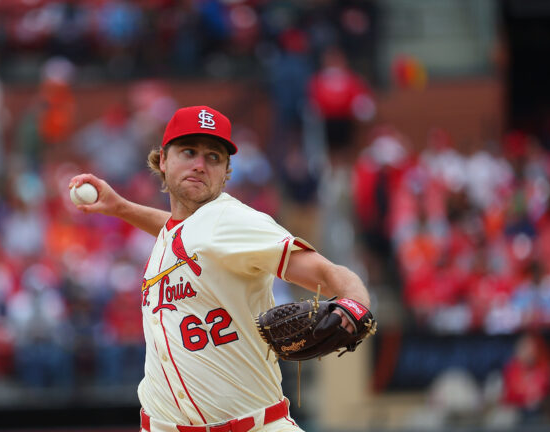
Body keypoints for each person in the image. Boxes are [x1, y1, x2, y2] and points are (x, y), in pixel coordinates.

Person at [70, 105, 370, 431]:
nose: (200, 165)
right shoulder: (179, 231)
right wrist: (121, 207)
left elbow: (328, 273)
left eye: (214, 157)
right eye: (189, 152)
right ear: (162, 161)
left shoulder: (233, 221)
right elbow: (179, 228)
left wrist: (354, 303)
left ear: (226, 171)